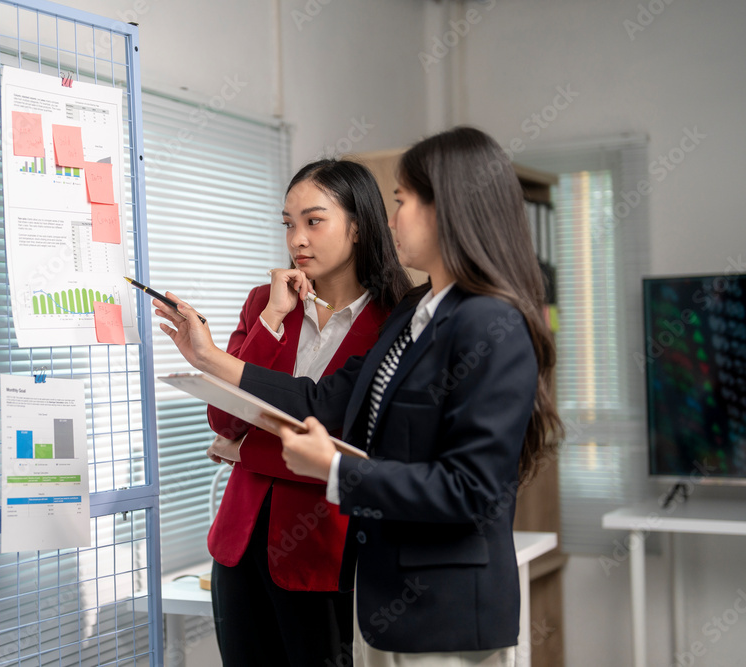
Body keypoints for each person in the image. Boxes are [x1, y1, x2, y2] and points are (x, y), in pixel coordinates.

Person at [155, 127, 561, 666]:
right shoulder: (419, 311)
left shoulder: (482, 321)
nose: (391, 219)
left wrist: (303, 463)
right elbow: (327, 405)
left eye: (402, 201)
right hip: (385, 592)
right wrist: (210, 358)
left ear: (450, 208)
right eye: (288, 224)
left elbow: (463, 485)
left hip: (430, 602)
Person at [205, 158, 412, 666]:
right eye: (288, 223)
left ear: (359, 226)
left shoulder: (394, 319)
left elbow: (351, 436)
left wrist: (246, 450)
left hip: (326, 547)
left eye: (314, 221)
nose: (297, 238)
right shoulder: (265, 301)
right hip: (239, 543)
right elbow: (224, 421)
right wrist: (273, 318)